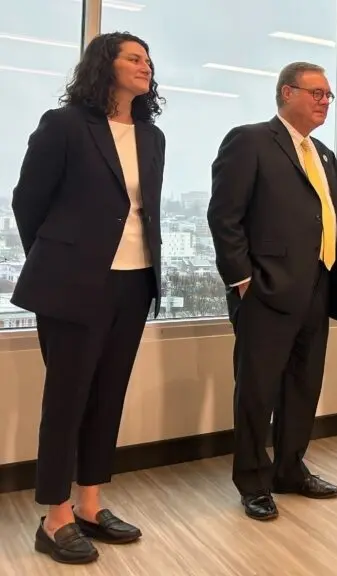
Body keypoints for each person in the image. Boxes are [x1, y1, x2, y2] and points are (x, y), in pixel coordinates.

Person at [10, 32, 165, 564]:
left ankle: (90, 505)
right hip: (75, 283)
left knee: (107, 395)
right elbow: (27, 201)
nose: (145, 66)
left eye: (148, 59)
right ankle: (54, 518)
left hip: (135, 279)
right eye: (133, 57)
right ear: (105, 64)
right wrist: (60, 260)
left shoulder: (151, 135)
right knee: (67, 399)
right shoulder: (65, 126)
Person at [207, 61, 337, 520]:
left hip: (317, 285)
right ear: (287, 93)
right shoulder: (250, 140)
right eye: (316, 93)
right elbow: (224, 216)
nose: (325, 101)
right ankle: (253, 481)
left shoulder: (323, 153)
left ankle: (290, 469)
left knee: (304, 386)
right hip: (266, 289)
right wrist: (243, 280)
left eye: (328, 95)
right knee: (257, 389)